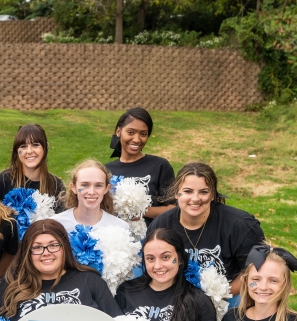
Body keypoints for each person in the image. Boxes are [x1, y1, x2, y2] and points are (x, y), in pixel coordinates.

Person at [148, 163, 264, 299]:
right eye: (188, 191)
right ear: (176, 193)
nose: (195, 198)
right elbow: (150, 265)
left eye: (203, 192)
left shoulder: (240, 225)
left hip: (228, 297)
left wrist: (220, 296)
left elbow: (257, 268)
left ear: (212, 195)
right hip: (176, 297)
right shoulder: (161, 224)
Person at [105, 108, 175, 226]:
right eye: (131, 132)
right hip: (114, 239)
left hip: (151, 239)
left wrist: (140, 210)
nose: (137, 140)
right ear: (118, 131)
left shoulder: (160, 166)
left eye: (143, 134)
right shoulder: (106, 171)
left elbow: (174, 208)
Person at [0, 124, 65, 212]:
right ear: (17, 150)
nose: (29, 151)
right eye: (23, 146)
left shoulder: (56, 185)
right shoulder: (3, 180)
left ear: (46, 147)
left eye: (35, 145)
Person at [52, 159, 129, 234]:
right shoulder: (56, 224)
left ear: (106, 189)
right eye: (85, 185)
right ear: (73, 188)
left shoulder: (120, 227)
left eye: (98, 185)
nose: (91, 192)